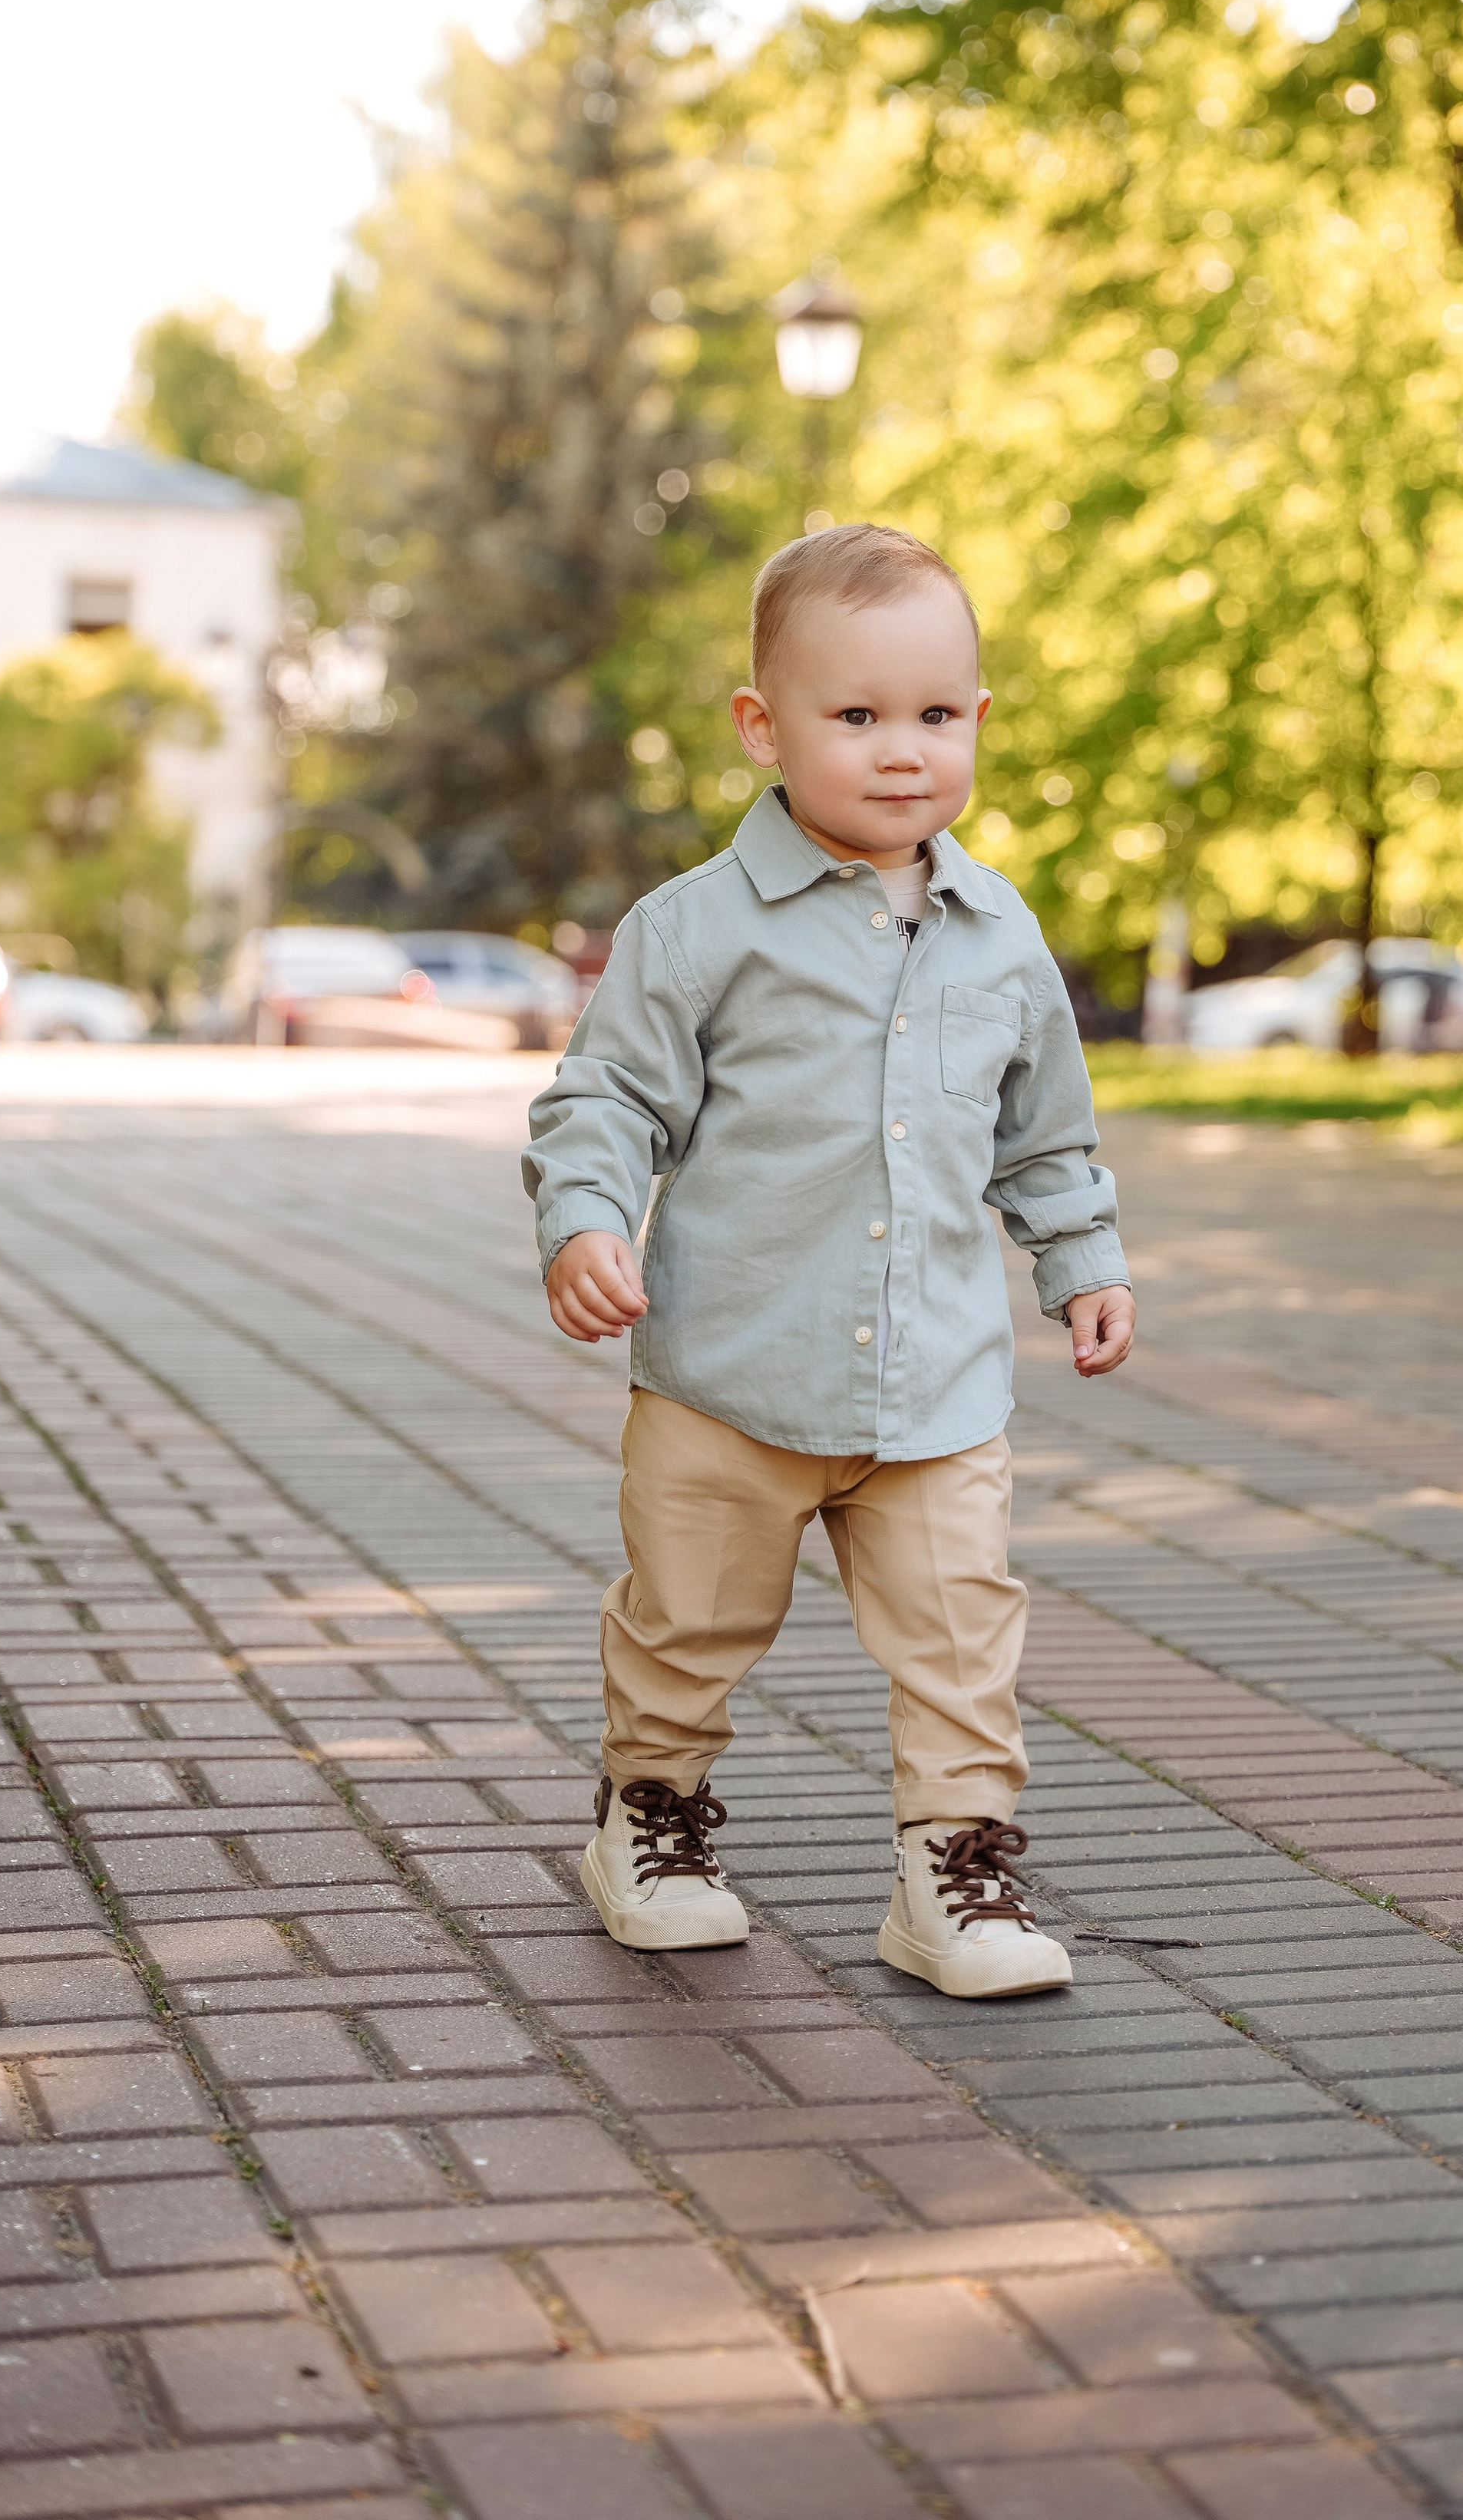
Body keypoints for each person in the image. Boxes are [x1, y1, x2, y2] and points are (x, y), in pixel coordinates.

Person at [522, 522, 1134, 2000]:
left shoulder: (1003, 939)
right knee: (687, 1622)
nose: (901, 750)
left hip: (938, 1390)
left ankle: (958, 1868)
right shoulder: (694, 933)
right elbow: (603, 1099)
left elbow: (1044, 1135)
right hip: (732, 1376)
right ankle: (650, 1818)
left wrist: (1083, 1259)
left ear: (979, 721)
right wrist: (587, 1221)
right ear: (764, 728)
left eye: (934, 715)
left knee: (960, 1636)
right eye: (855, 717)